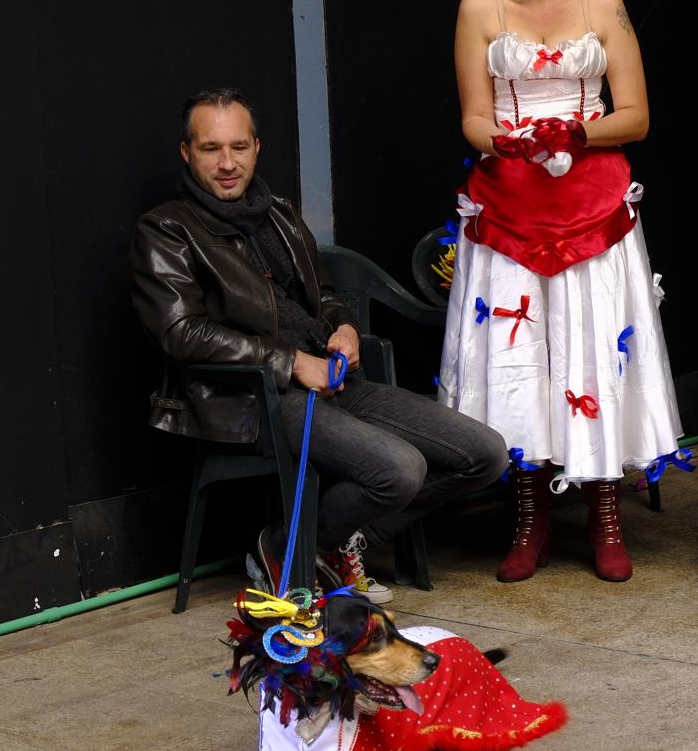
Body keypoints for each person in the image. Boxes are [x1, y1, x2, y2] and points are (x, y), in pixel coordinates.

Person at [130, 88, 509, 603]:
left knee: (485, 455)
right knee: (399, 470)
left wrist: (344, 328)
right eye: (210, 149)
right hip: (254, 399)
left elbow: (322, 294)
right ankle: (286, 545)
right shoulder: (166, 229)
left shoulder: (278, 213)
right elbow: (180, 333)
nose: (226, 163)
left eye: (238, 147)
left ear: (257, 148)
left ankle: (331, 545)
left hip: (333, 379)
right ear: (186, 152)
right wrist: (289, 362)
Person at [437, 0, 683, 583]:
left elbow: (635, 116)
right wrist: (509, 142)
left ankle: (605, 512)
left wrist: (575, 133)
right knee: (520, 359)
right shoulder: (477, 7)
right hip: (508, 201)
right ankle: (529, 514)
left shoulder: (602, 4)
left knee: (589, 350)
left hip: (590, 200)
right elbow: (473, 120)